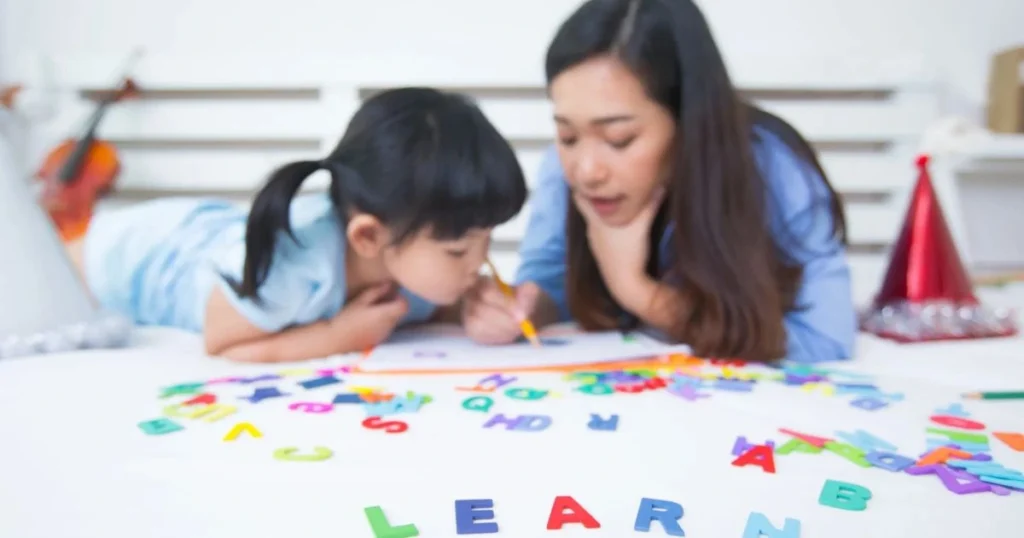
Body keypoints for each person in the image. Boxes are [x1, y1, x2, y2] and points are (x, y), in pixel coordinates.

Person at [461, 0, 856, 363]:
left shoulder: (774, 166)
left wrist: (638, 291)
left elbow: (826, 338)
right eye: (567, 136)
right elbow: (548, 277)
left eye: (619, 139)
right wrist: (523, 310)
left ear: (688, 121)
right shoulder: (561, 168)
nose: (585, 171)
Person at [68, 87, 528, 362]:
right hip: (123, 259)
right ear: (367, 236)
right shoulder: (292, 261)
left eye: (486, 240)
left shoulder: (407, 254)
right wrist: (337, 337)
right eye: (458, 252)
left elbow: (431, 300)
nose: (479, 263)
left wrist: (471, 309)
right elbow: (225, 344)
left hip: (200, 231)